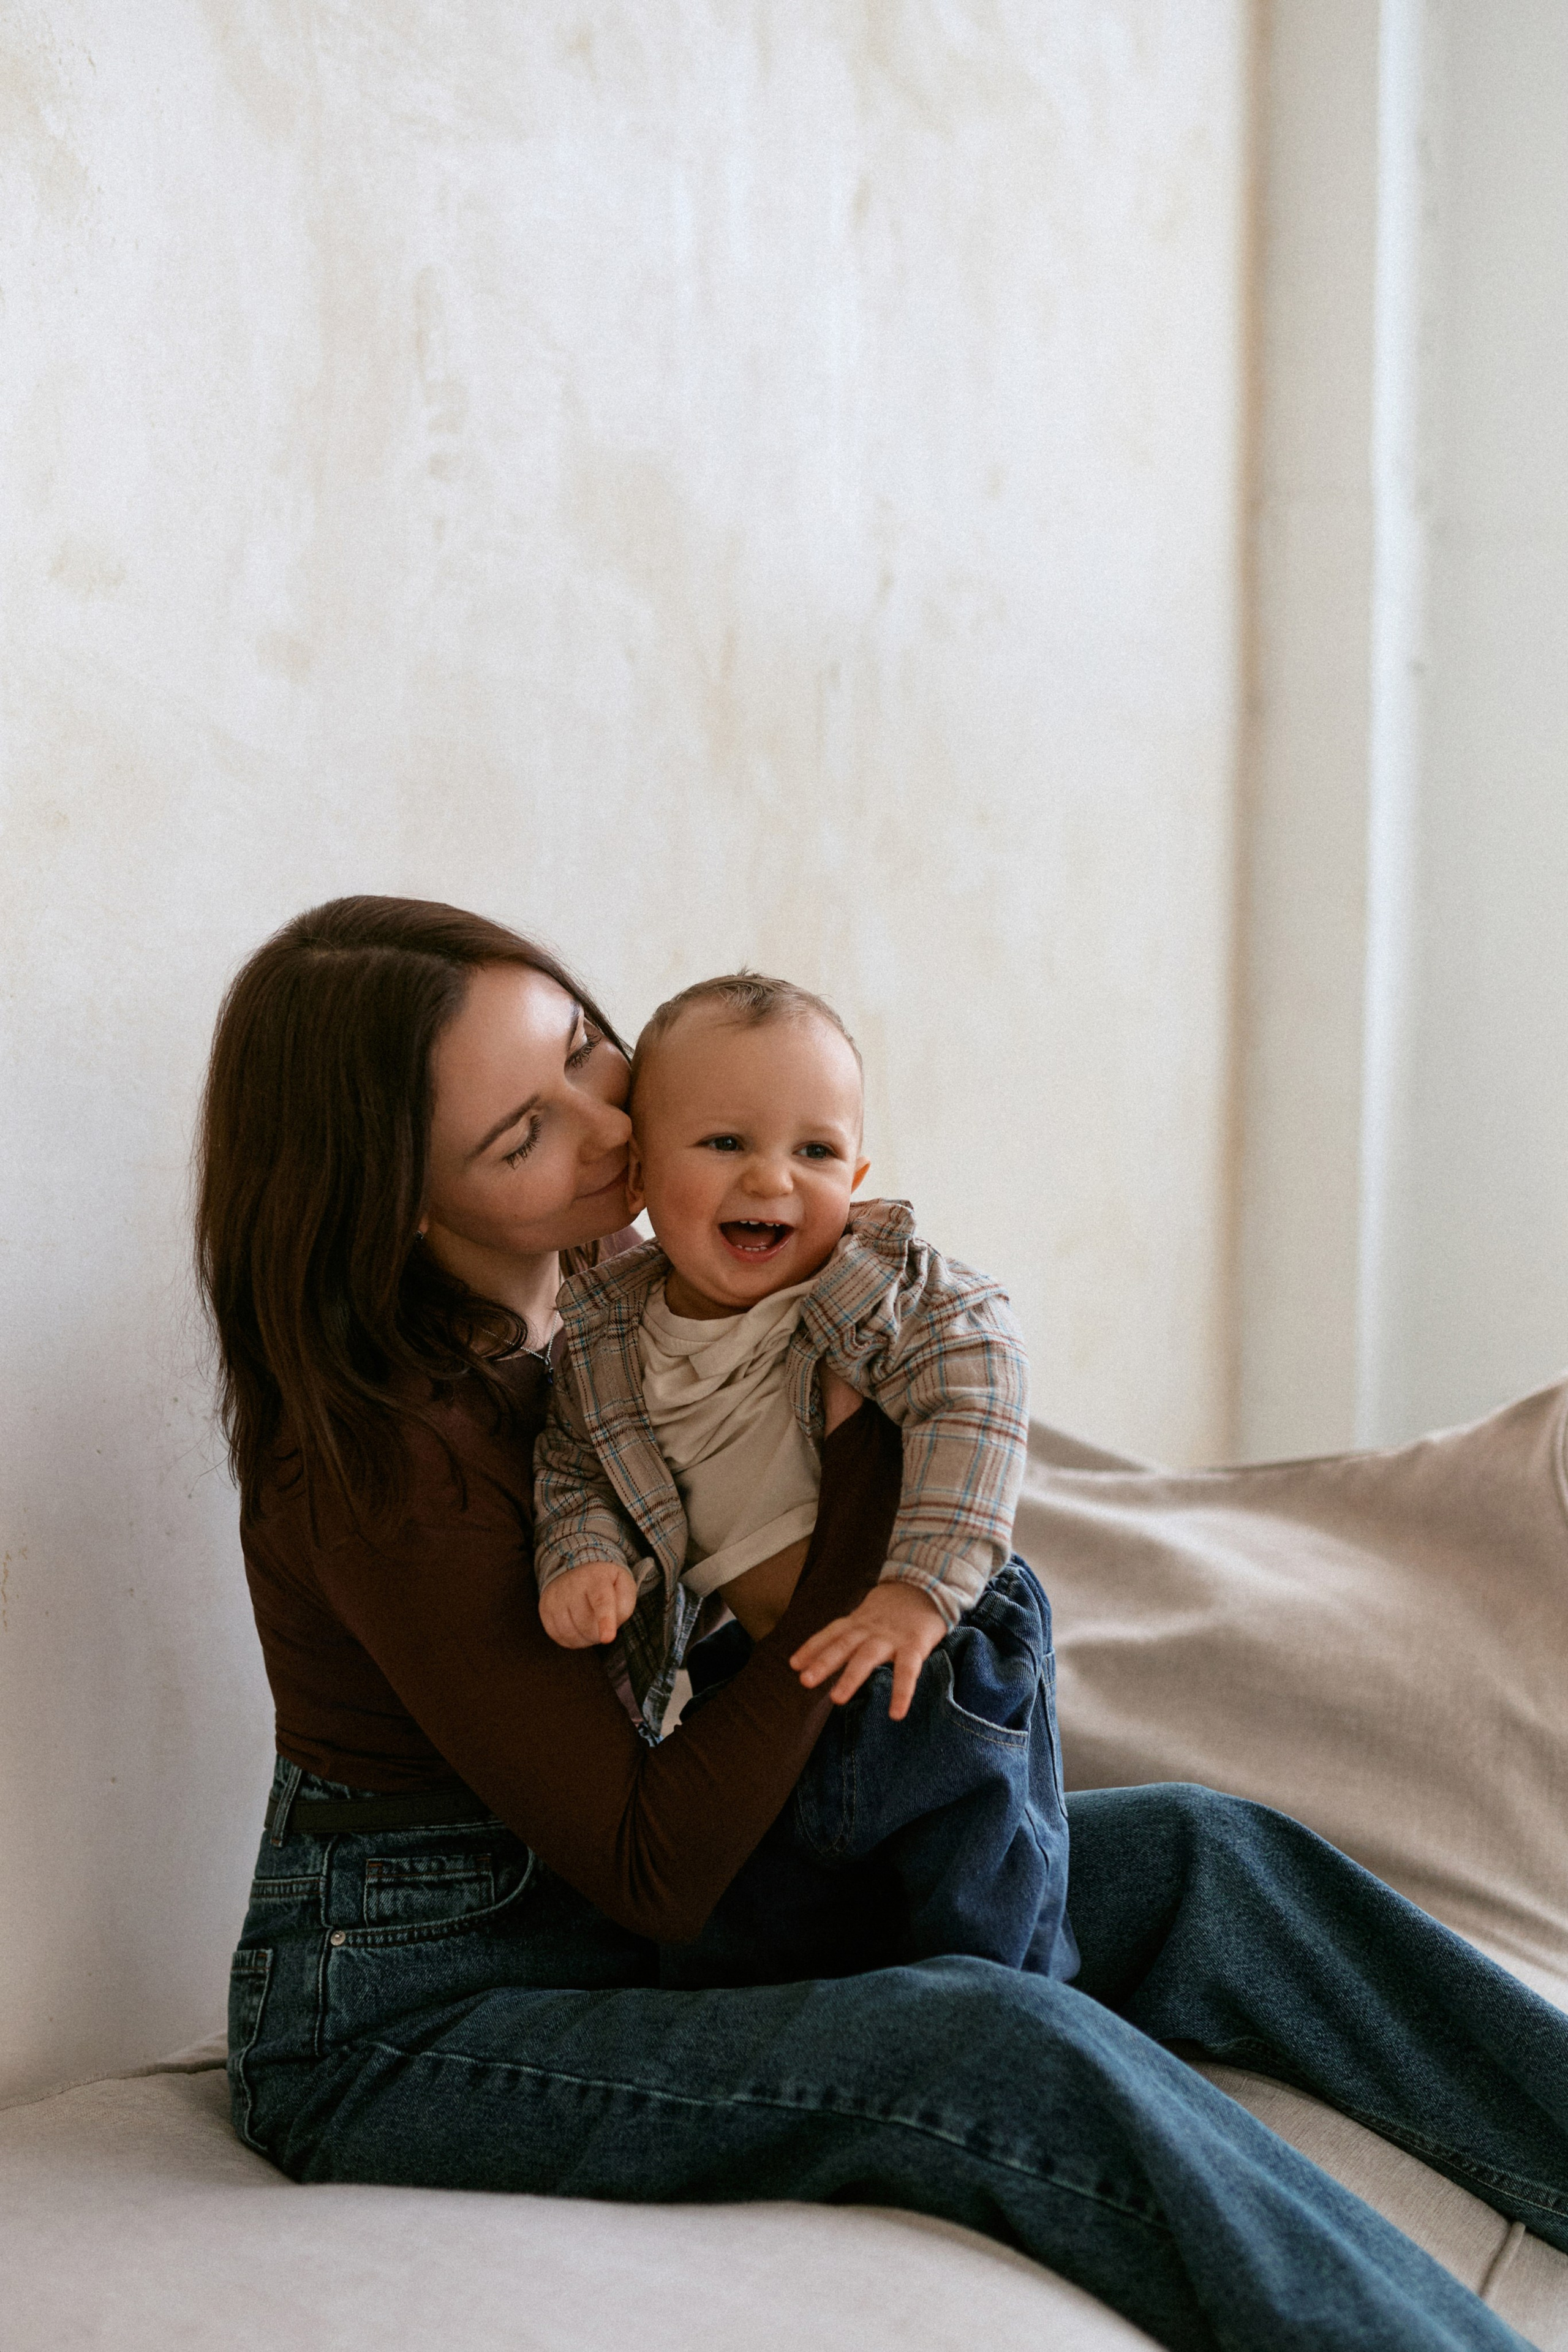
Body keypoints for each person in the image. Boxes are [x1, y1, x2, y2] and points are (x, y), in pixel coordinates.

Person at [202, 894, 1568, 2352]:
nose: (608, 1129)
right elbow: (651, 1863)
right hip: (422, 2016)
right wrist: (862, 1499)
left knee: (1199, 1855)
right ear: (399, 1203)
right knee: (994, 2038)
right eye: (523, 1135)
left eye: (587, 1054)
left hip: (644, 1909)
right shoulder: (384, 1467)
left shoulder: (615, 1300)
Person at [531, 970, 1076, 1985]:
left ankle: (1015, 2033)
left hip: (935, 1645)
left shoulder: (877, 1292)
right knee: (751, 1926)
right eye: (726, 1143)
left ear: (858, 1175)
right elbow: (574, 1462)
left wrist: (920, 1591)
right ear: (641, 1172)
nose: (773, 1180)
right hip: (762, 1669)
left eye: (815, 1151)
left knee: (981, 1909)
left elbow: (980, 1391)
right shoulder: (606, 1337)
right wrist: (585, 1552)